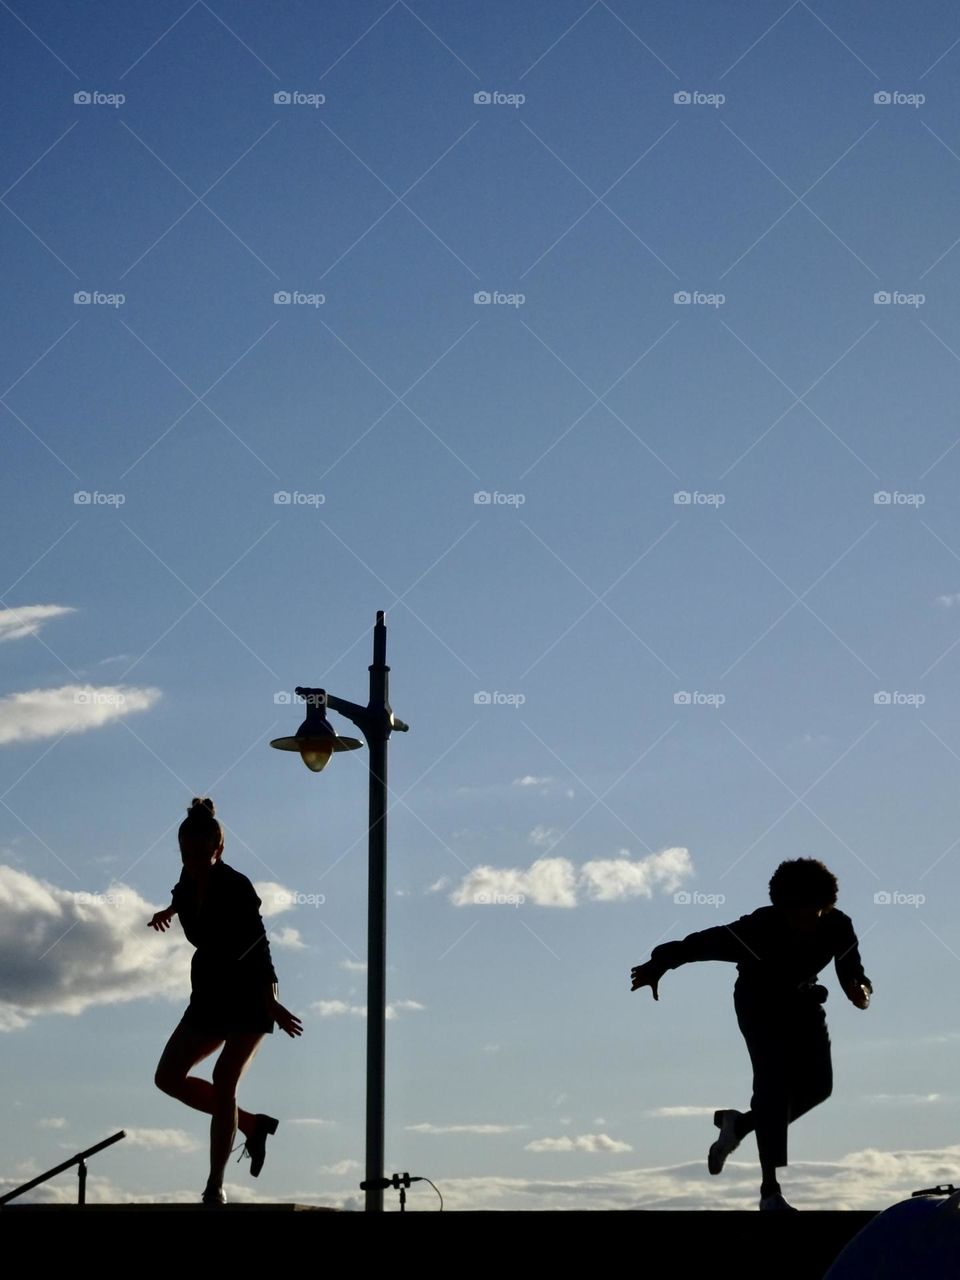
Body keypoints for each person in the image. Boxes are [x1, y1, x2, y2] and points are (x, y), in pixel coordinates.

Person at [630, 858, 872, 1211]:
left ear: (824, 906)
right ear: (782, 907)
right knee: (773, 1085)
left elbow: (854, 972)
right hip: (760, 1003)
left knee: (819, 1087)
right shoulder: (759, 928)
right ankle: (769, 1192)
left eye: (810, 913)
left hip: (804, 1003)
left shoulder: (838, 926)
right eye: (794, 913)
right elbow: (699, 944)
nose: (802, 922)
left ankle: (739, 1125)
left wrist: (859, 990)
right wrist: (657, 965)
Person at [149, 796, 303, 1205]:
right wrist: (168, 910)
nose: (194, 860)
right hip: (210, 992)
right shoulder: (185, 879)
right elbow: (183, 897)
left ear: (219, 850)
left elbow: (259, 948)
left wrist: (271, 1002)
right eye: (187, 854)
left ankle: (215, 1186)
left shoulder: (237, 887)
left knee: (224, 1080)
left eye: (202, 853)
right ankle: (251, 1124)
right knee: (166, 1077)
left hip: (251, 992)